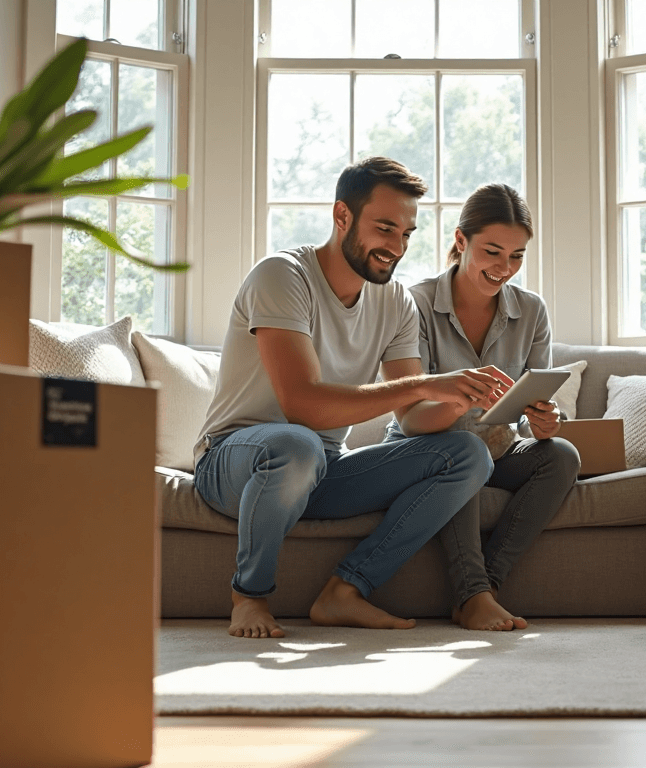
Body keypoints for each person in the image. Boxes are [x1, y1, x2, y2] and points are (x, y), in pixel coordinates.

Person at [193, 157, 511, 639]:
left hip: (322, 467)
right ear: (342, 216)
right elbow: (304, 405)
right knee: (295, 444)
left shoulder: (396, 302)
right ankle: (249, 595)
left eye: (407, 234)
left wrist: (463, 398)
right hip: (236, 462)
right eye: (385, 229)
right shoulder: (282, 275)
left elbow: (413, 417)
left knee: (468, 453)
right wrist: (427, 383)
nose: (396, 247)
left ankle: (346, 590)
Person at [384, 183, 581, 631]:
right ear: (460, 241)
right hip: (427, 448)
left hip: (496, 445)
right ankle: (472, 594)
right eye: (492, 252)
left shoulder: (531, 312)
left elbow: (534, 402)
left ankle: (482, 589)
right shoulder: (413, 304)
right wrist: (460, 398)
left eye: (516, 256)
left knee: (562, 456)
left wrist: (544, 422)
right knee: (464, 450)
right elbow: (412, 419)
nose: (504, 268)